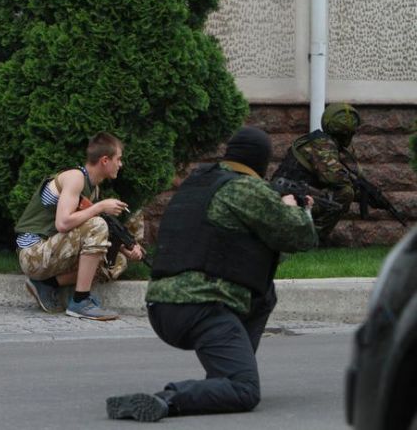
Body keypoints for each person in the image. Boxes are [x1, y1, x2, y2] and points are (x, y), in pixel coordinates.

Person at [106, 127, 318, 422]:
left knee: (264, 292)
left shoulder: (197, 183)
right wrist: (296, 209)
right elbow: (301, 237)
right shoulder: (245, 189)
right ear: (261, 161)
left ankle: (229, 370)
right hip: (203, 307)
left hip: (161, 308)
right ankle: (168, 399)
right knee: (244, 390)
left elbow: (248, 250)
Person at [15, 132, 144, 321]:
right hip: (33, 253)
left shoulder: (93, 188)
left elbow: (89, 234)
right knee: (97, 224)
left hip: (52, 252)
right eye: (118, 159)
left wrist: (127, 249)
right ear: (105, 160)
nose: (121, 164)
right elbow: (63, 223)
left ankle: (48, 284)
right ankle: (80, 301)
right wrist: (100, 207)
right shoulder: (75, 178)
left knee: (116, 262)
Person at [271, 103, 360, 241]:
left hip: (289, 196)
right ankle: (313, 238)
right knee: (345, 193)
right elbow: (334, 178)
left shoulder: (318, 140)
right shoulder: (322, 144)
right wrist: (358, 188)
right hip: (289, 199)